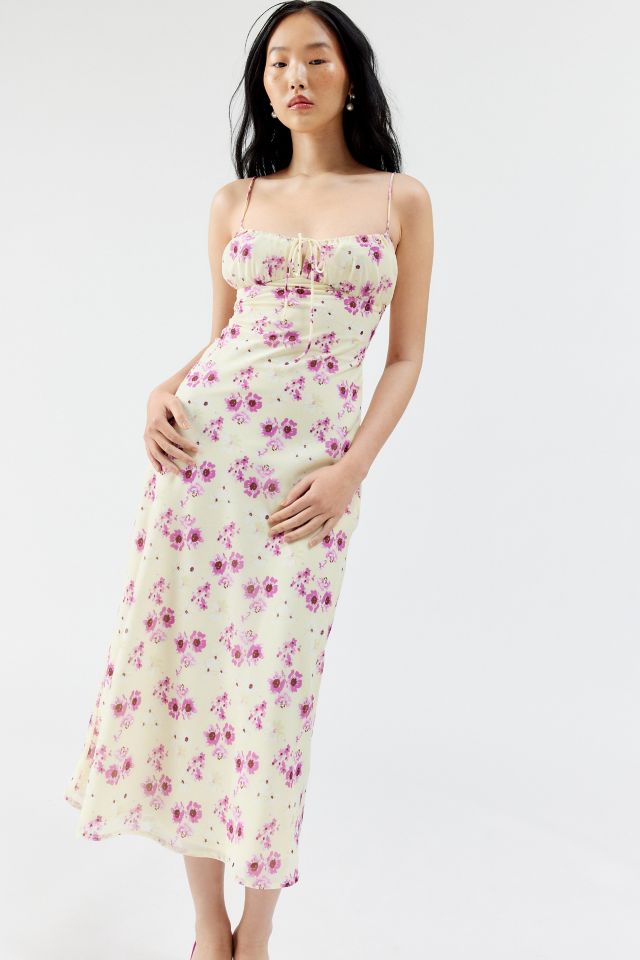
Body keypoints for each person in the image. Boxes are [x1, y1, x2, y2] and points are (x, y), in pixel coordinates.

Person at [64, 2, 434, 958]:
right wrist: (162, 388)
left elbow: (403, 358)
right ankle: (207, 928)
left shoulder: (400, 200)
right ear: (263, 85)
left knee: (274, 695)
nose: (295, 76)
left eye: (317, 58)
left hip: (307, 489)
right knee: (193, 683)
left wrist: (351, 470)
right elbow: (227, 335)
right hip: (200, 470)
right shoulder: (237, 202)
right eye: (277, 63)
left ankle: (257, 933)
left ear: (351, 76)